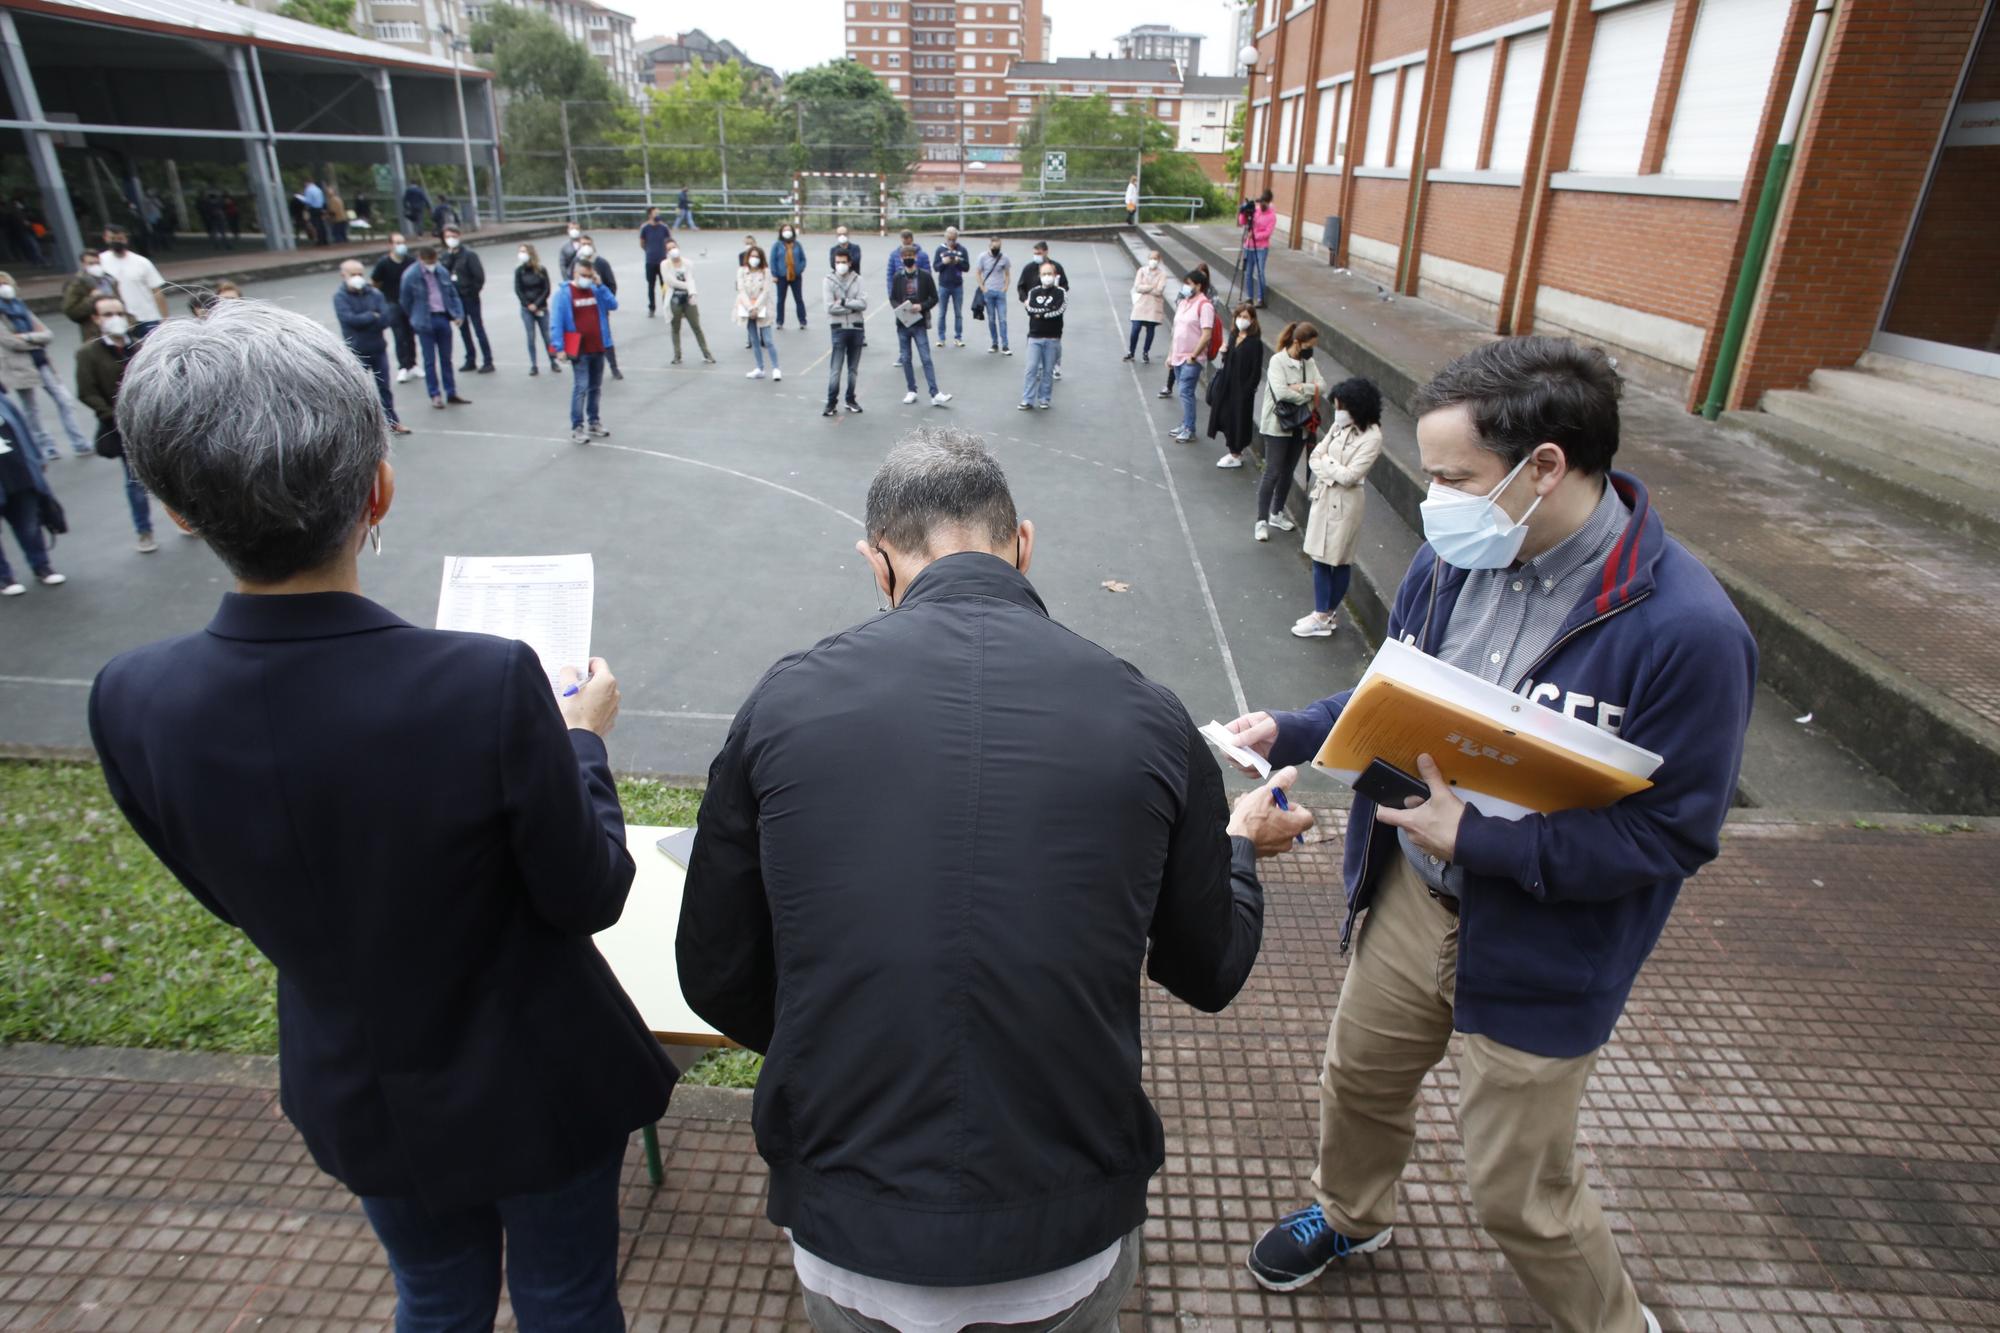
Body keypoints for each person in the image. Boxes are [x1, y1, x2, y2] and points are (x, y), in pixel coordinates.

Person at [90, 300, 674, 1329]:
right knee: (565, 1293)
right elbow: (589, 888)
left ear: (177, 507)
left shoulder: (132, 698)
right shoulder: (485, 682)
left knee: (433, 1294)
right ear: (379, 488)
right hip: (536, 1079)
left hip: (356, 1082)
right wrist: (582, 739)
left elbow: (229, 899)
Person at [678, 430, 1311, 1333]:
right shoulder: (1149, 716)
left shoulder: (785, 702)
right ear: (1023, 543)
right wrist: (1241, 842)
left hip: (850, 1226)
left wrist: (844, 1031)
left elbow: (714, 969)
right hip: (1064, 1229)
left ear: (877, 562)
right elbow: (1208, 969)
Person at [1226, 337, 1754, 1333]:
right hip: (1407, 898)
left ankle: (1610, 1320)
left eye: (1451, 476)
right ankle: (1350, 1213)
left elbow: (1669, 837)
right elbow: (1396, 690)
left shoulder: (1689, 633)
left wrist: (1483, 840)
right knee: (1358, 1083)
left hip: (1544, 945)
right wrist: (1294, 727)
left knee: (1518, 1191)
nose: (1430, 500)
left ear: (1542, 466)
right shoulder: (1451, 561)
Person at [1293, 377, 1382, 637]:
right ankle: (1323, 613)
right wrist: (1331, 466)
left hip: (1345, 504)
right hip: (1325, 498)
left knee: (1340, 559)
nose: (1338, 412)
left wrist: (1327, 465)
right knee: (1319, 557)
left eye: (1342, 406)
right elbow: (1314, 455)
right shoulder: (1339, 426)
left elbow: (1349, 476)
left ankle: (1325, 614)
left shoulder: (1372, 437)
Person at [74, 295, 155, 553]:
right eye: (108, 314)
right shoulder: (88, 353)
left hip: (153, 423)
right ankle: (144, 530)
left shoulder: (141, 346)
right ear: (96, 319)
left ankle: (187, 521)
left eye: (119, 312)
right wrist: (111, 414)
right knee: (135, 481)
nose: (115, 319)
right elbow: (87, 392)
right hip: (121, 427)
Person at [0, 272, 91, 460]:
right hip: (20, 367)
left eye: (5, 283)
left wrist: (27, 338)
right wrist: (35, 339)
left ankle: (79, 442)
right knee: (31, 409)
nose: (4, 287)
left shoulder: (20, 306)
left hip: (41, 362)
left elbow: (48, 334)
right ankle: (46, 447)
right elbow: (9, 342)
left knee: (64, 400)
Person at [1255, 321, 1324, 542]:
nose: (1311, 350)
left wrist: (1303, 388)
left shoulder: (1308, 362)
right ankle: (1261, 520)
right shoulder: (1278, 361)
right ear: (1297, 342)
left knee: (1288, 471)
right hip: (1277, 425)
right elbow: (1282, 393)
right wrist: (1308, 394)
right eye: (1309, 345)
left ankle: (1276, 513)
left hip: (1300, 424)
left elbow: (1321, 386)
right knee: (1273, 472)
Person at [334, 260, 410, 437]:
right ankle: (361, 431)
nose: (358, 278)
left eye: (360, 274)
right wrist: (371, 316)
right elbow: (349, 319)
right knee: (357, 392)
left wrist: (367, 319)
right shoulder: (340, 297)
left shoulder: (375, 293)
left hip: (378, 348)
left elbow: (385, 319)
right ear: (343, 276)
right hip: (356, 351)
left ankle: (392, 422)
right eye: (353, 274)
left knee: (384, 388)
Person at [0, 390, 64, 597]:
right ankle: (4, 577)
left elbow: (23, 432)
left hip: (20, 475)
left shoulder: (3, 401)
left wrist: (38, 458)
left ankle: (41, 566)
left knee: (29, 525)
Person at [548, 257, 617, 445]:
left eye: (589, 275)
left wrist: (601, 286)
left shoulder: (595, 290)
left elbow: (613, 305)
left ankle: (594, 421)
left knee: (596, 387)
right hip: (579, 349)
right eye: (583, 275)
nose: (586, 279)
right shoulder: (564, 294)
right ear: (575, 273)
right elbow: (556, 322)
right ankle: (577, 426)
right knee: (581, 387)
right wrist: (559, 348)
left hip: (598, 346)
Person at [397, 245, 471, 411]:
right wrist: (415, 317)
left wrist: (457, 314)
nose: (432, 264)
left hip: (442, 317)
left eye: (434, 261)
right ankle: (435, 394)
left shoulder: (441, 271)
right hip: (425, 320)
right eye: (429, 262)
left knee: (447, 359)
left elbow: (452, 293)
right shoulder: (411, 276)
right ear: (421, 259)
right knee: (430, 360)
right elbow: (405, 301)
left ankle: (451, 392)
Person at [889, 245, 950, 408]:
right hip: (903, 322)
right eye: (905, 256)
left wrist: (921, 307)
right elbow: (892, 298)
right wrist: (900, 309)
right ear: (901, 259)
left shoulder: (925, 277)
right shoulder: (897, 277)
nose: (908, 258)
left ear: (915, 257)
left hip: (919, 322)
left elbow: (934, 297)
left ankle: (934, 392)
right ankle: (911, 390)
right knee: (906, 358)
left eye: (911, 255)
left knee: (926, 358)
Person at [1206, 303, 1266, 469]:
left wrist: (1247, 390)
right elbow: (1228, 361)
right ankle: (1232, 449)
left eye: (1245, 317)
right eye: (1239, 316)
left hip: (1242, 389)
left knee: (1238, 420)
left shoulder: (1255, 343)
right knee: (1224, 416)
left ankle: (1236, 453)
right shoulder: (1233, 336)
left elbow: (1255, 370)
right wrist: (1224, 352)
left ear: (1252, 320)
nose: (1241, 320)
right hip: (1227, 384)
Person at [1167, 269, 1217, 444]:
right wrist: (1170, 355)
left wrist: (1194, 356)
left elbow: (1206, 334)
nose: (1186, 287)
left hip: (1191, 358)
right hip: (1178, 355)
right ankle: (1185, 423)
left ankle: (1190, 428)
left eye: (1189, 284)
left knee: (1186, 392)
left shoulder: (1205, 306)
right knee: (1184, 392)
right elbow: (1176, 330)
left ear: (1198, 285)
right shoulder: (1184, 303)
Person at [440, 226, 495, 375]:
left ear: (458, 236)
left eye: (453, 236)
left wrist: (472, 292)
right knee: (463, 330)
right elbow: (444, 274)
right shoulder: (445, 256)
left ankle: (488, 360)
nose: (450, 239)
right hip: (456, 300)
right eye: (447, 236)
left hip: (470, 297)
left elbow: (479, 277)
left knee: (478, 329)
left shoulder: (469, 255)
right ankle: (470, 359)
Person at [97, 230, 167, 338]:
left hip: (147, 317)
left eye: (120, 238)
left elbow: (157, 291)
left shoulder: (142, 262)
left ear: (126, 239)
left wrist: (165, 319)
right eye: (112, 238)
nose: (116, 242)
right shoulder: (100, 261)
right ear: (106, 239)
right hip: (118, 318)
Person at [822, 248, 867, 417]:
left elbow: (863, 303)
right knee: (836, 368)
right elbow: (829, 307)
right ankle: (831, 402)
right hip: (838, 328)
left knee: (853, 368)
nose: (840, 265)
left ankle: (850, 399)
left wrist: (842, 301)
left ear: (850, 263)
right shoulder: (828, 281)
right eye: (837, 262)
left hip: (856, 327)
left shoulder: (858, 279)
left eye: (843, 262)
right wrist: (850, 306)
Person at [1016, 242, 1069, 380]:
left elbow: (1065, 286)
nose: (1036, 256)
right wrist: (1025, 300)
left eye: (1039, 253)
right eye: (1035, 253)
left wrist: (1056, 295)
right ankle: (1039, 367)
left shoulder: (1056, 267)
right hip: (1035, 310)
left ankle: (1056, 365)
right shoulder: (1029, 268)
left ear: (1046, 252)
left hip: (1053, 310)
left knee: (1055, 339)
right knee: (1035, 337)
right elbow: (1021, 286)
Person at [370, 234, 418, 385]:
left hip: (409, 303)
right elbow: (375, 282)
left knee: (411, 334)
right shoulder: (384, 263)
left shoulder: (411, 261)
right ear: (390, 245)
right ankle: (403, 366)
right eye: (397, 243)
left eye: (402, 242)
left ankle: (413, 364)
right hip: (392, 302)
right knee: (399, 335)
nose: (401, 245)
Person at [1019, 257, 1065, 411]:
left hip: (1052, 337)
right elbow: (1030, 310)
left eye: (1049, 273)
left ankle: (1044, 398)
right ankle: (1027, 399)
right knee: (1031, 369)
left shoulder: (1060, 292)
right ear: (1040, 276)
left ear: (1055, 274)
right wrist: (1047, 310)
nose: (1047, 276)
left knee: (1047, 371)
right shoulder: (1033, 292)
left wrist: (1042, 314)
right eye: (1044, 273)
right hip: (1035, 336)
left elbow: (1058, 310)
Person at [885, 229, 931, 368]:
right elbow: (890, 275)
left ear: (911, 239)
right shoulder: (894, 255)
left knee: (920, 328)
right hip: (902, 300)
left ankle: (925, 356)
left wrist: (924, 300)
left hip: (918, 299)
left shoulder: (922, 255)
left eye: (908, 240)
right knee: (903, 328)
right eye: (903, 240)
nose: (905, 243)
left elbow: (927, 274)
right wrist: (891, 295)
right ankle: (903, 356)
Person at [734, 244, 780, 381]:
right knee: (754, 340)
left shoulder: (766, 272)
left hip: (762, 307)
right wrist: (750, 308)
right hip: (747, 307)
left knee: (768, 340)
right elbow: (741, 290)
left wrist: (756, 307)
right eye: (752, 256)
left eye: (757, 256)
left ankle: (776, 368)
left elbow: (766, 291)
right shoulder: (742, 271)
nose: (754, 259)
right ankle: (759, 368)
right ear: (748, 258)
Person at [664, 244, 714, 366]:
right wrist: (687, 286)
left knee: (696, 326)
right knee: (675, 328)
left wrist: (692, 293)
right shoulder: (665, 264)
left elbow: (690, 278)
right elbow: (670, 281)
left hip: (688, 299)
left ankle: (707, 354)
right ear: (667, 252)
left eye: (674, 247)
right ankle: (677, 355)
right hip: (674, 300)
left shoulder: (688, 263)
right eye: (669, 249)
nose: (673, 250)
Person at [514, 243, 559, 377]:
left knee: (547, 336)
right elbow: (518, 289)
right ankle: (533, 364)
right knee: (530, 336)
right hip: (526, 308)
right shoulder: (519, 271)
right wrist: (528, 304)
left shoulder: (541, 270)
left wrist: (537, 303)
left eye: (524, 251)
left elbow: (547, 288)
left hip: (541, 307)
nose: (522, 254)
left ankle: (553, 361)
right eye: (520, 251)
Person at [581, 240, 624, 381]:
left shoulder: (602, 265)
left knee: (606, 340)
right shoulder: (569, 291)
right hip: (583, 322)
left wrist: (602, 288)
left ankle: (613, 367)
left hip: (599, 314)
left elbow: (613, 301)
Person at [61, 249, 119, 343]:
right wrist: (92, 299)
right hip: (94, 334)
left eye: (97, 263)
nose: (95, 266)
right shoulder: (76, 283)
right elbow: (71, 311)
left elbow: (122, 304)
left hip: (117, 330)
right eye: (91, 263)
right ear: (83, 264)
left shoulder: (109, 280)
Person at [1127, 249, 1169, 363]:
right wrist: (1151, 286)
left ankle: (1146, 352)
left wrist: (1145, 287)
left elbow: (1159, 291)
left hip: (1153, 305)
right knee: (1135, 328)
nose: (1153, 261)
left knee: (1150, 329)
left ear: (1159, 260)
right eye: (1151, 258)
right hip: (1140, 304)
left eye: (1155, 258)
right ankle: (1131, 352)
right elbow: (1137, 287)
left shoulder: (1162, 274)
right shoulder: (1142, 271)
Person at [931, 226, 968, 348]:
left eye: (953, 239)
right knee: (942, 312)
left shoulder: (962, 249)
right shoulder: (939, 250)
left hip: (957, 285)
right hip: (944, 285)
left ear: (957, 238)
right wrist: (944, 262)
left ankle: (958, 337)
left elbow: (967, 267)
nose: (951, 242)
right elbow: (935, 267)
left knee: (958, 313)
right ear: (945, 237)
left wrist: (958, 262)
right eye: (949, 239)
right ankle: (941, 338)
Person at [976, 236, 1011, 354]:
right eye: (994, 247)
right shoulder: (983, 257)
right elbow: (978, 273)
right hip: (988, 292)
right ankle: (994, 343)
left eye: (998, 247)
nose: (996, 249)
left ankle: (1005, 345)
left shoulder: (1004, 258)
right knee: (991, 319)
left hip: (1000, 292)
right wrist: (983, 288)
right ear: (990, 246)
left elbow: (1007, 273)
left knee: (1003, 319)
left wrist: (1005, 287)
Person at [770, 224, 808, 330]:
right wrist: (774, 274)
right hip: (781, 277)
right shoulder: (777, 245)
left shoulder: (797, 245)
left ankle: (802, 321)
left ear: (792, 232)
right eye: (785, 230)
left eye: (789, 230)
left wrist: (798, 270)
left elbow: (803, 259)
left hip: (795, 276)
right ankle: (779, 321)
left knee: (799, 299)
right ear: (781, 232)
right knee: (780, 300)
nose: (787, 232)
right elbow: (772, 261)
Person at [1244, 189, 1277, 307]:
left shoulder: (1272, 216)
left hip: (1261, 248)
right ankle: (1249, 297)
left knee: (1260, 272)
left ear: (1269, 202)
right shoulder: (1255, 211)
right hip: (1249, 246)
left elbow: (1267, 233)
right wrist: (1244, 213)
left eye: (1265, 202)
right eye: (1261, 201)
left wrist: (1255, 236)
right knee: (1248, 272)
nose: (1262, 205)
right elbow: (1243, 222)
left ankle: (1260, 298)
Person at [638, 207, 673, 317]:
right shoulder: (645, 228)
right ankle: (651, 307)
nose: (657, 215)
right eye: (655, 213)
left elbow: (669, 241)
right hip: (650, 261)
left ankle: (666, 306)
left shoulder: (664, 227)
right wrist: (649, 251)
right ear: (650, 215)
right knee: (651, 285)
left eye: (658, 212)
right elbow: (642, 243)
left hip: (663, 261)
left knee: (665, 285)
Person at [297, 177, 328, 246]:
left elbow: (308, 201)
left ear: (307, 183)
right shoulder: (318, 189)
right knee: (321, 225)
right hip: (320, 208)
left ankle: (320, 241)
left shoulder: (308, 190)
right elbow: (322, 200)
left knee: (316, 225)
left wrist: (299, 197)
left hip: (313, 209)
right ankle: (324, 240)